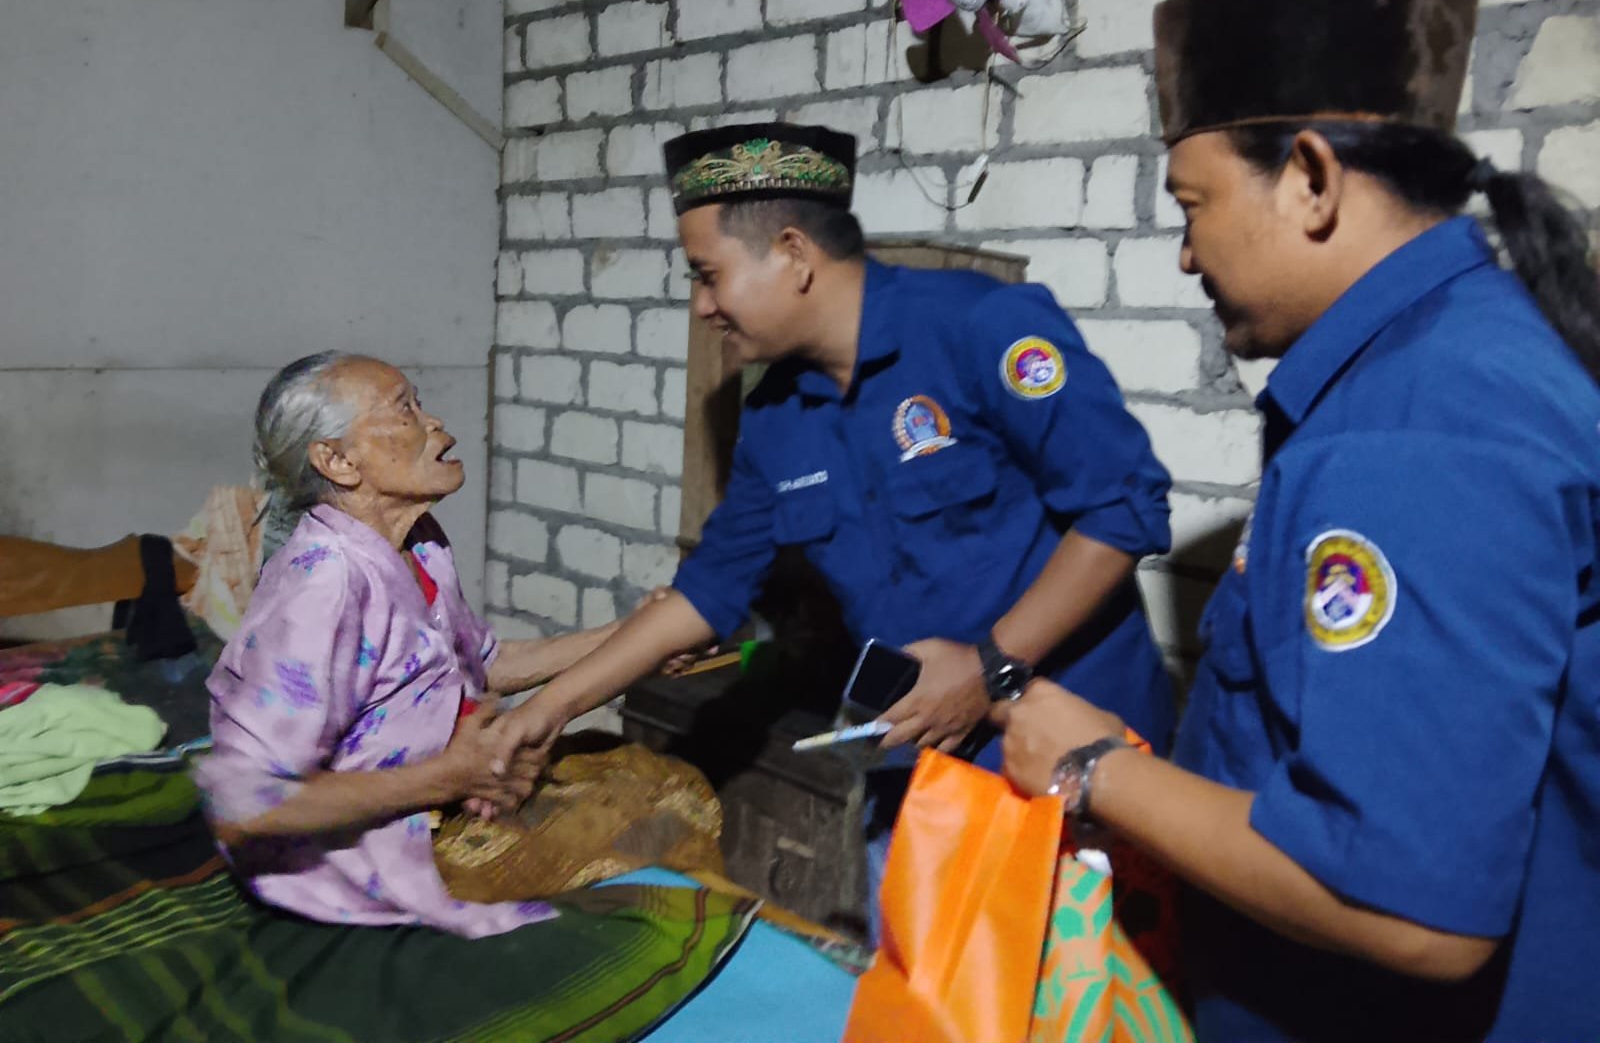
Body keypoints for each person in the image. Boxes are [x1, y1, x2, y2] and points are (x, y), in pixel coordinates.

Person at [995, 0, 1600, 1041]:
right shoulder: (1465, 357)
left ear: (1312, 179)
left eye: (1194, 204)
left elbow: (1408, 907)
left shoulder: (1415, 427)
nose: (1186, 255)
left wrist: (1092, 770)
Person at [486, 122, 1176, 925]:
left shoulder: (978, 326)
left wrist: (990, 666)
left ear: (793, 253)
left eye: (708, 276)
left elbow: (1122, 509)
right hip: (923, 773)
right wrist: (549, 708)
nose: (702, 306)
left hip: (1075, 766)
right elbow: (708, 593)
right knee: (916, 988)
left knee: (1084, 990)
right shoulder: (777, 416)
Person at [196, 352, 636, 937]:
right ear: (338, 461)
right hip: (347, 860)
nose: (437, 425)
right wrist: (450, 777)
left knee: (633, 782)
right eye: (404, 409)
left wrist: (636, 634)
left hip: (430, 807)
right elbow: (243, 803)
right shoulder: (325, 583)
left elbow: (479, 662)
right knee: (637, 848)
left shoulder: (420, 543)